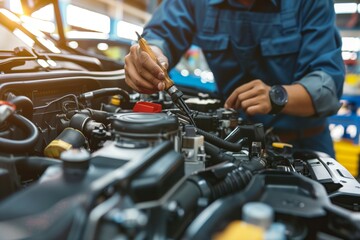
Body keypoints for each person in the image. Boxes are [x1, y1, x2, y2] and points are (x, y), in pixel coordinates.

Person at [124, 0, 345, 158]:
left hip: (303, 144)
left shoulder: (312, 3)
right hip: (232, 141)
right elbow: (161, 34)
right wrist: (150, 55)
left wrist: (277, 97)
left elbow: (328, 88)